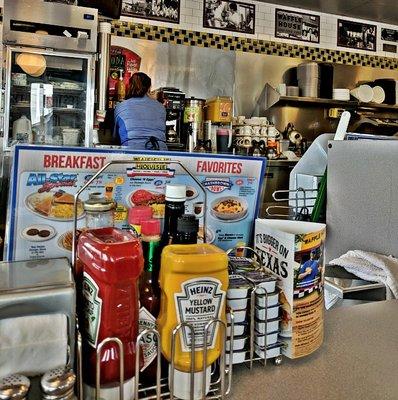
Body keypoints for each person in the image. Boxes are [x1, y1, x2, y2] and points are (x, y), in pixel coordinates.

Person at [114, 72, 167, 150]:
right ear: (149, 88)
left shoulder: (121, 106)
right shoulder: (160, 107)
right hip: (159, 152)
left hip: (131, 153)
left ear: (129, 86)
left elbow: (116, 137)